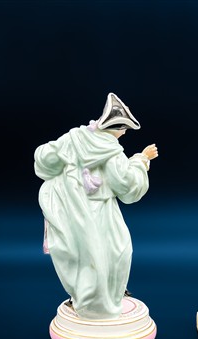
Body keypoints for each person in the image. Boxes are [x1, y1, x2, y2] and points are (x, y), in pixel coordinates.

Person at [34, 93, 158, 320]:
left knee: (82, 253)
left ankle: (91, 298)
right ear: (116, 128)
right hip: (100, 210)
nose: (124, 133)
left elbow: (44, 158)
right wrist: (141, 160)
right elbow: (127, 185)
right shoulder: (112, 152)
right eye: (124, 129)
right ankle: (100, 303)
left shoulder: (75, 137)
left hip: (72, 208)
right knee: (115, 250)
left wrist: (66, 171)